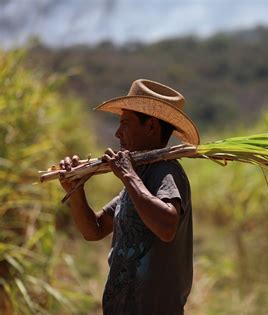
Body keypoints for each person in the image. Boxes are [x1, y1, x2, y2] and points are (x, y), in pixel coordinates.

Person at [59, 79, 200, 315]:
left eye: (125, 123)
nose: (117, 133)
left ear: (152, 126)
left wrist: (127, 175)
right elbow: (93, 230)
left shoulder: (166, 171)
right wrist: (75, 190)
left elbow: (166, 226)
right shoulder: (138, 176)